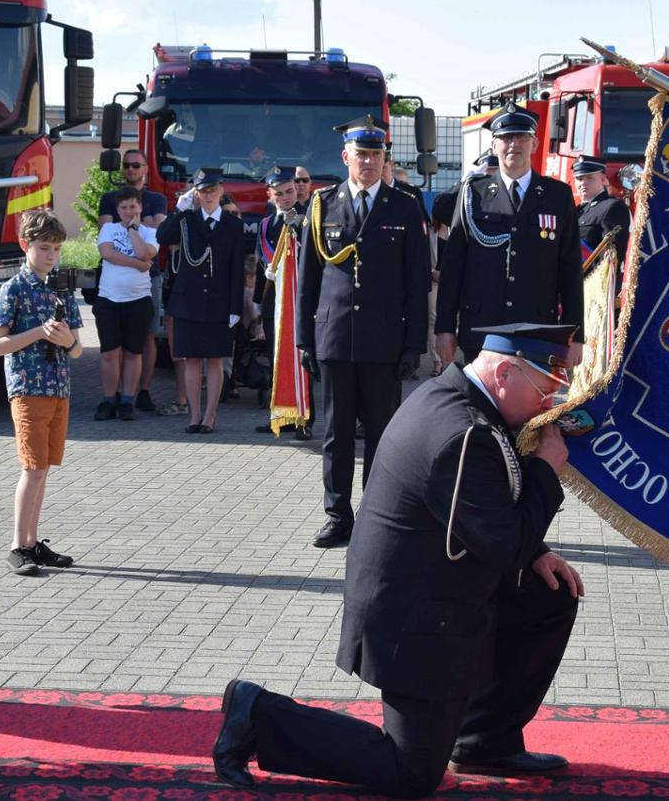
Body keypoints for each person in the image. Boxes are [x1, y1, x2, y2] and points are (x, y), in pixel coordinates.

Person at [214, 323, 584, 798]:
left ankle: (483, 739)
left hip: (434, 589)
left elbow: (481, 513)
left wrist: (537, 552)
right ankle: (257, 715)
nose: (550, 404)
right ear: (506, 373)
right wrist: (545, 473)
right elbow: (503, 545)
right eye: (545, 389)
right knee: (411, 774)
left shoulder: (458, 400)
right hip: (414, 625)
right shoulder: (464, 434)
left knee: (547, 595)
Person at [297, 115, 430, 548]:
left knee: (382, 433)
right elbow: (308, 281)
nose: (369, 162)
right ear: (346, 157)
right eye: (362, 154)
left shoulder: (405, 206)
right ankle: (337, 515)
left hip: (384, 342)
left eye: (376, 154)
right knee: (335, 435)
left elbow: (415, 283)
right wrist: (304, 340)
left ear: (384, 158)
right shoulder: (322, 206)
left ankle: (375, 515)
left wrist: (415, 344)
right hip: (335, 338)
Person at [435, 106, 583, 366]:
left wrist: (576, 335)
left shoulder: (557, 196)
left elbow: (570, 270)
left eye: (522, 137)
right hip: (483, 329)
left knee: (534, 407)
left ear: (534, 144)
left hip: (536, 329)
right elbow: (453, 266)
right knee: (478, 407)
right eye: (506, 137)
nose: (514, 144)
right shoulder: (473, 194)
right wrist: (444, 327)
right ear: (494, 145)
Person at [0, 208, 84, 576]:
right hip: (28, 388)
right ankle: (18, 545)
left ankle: (32, 541)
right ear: (26, 246)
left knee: (43, 469)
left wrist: (66, 342)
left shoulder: (61, 289)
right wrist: (40, 333)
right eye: (44, 247)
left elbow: (76, 348)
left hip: (59, 388)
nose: (51, 255)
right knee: (31, 468)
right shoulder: (13, 289)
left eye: (57, 249)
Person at [157, 168, 245, 433]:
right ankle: (194, 416)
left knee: (215, 360)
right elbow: (162, 237)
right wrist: (179, 209)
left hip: (219, 301)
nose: (208, 195)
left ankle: (210, 416)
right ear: (196, 193)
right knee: (192, 359)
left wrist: (235, 307)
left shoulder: (233, 224)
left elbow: (236, 270)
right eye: (203, 191)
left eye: (212, 190)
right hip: (188, 301)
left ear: (220, 190)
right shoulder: (186, 221)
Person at [98, 149, 169, 413]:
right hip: (112, 290)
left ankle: (143, 392)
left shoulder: (157, 198)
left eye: (135, 165)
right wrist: (139, 263)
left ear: (146, 168)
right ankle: (113, 396)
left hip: (147, 283)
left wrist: (141, 236)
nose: (130, 169)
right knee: (112, 348)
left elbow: (157, 229)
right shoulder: (108, 198)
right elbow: (106, 243)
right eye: (126, 165)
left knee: (144, 339)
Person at [255, 170, 313, 438]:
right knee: (276, 359)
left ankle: (304, 421)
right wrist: (258, 303)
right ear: (270, 195)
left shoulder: (306, 218)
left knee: (302, 360)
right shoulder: (266, 224)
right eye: (278, 193)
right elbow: (261, 262)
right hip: (274, 304)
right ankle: (279, 415)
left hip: (299, 302)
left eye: (289, 191)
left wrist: (296, 223)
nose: (285, 198)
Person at [93, 188, 158, 421]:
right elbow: (107, 253)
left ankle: (128, 400)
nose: (128, 211)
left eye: (132, 207)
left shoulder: (149, 233)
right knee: (110, 353)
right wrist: (137, 265)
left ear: (140, 207)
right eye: (123, 208)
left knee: (133, 352)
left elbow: (145, 253)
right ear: (117, 210)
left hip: (139, 300)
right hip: (109, 299)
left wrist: (133, 230)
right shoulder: (108, 229)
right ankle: (109, 399)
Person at [573, 156, 629, 265]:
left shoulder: (613, 207)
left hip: (591, 279)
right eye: (579, 179)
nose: (583, 183)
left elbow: (611, 258)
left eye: (590, 178)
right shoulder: (575, 211)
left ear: (603, 179)